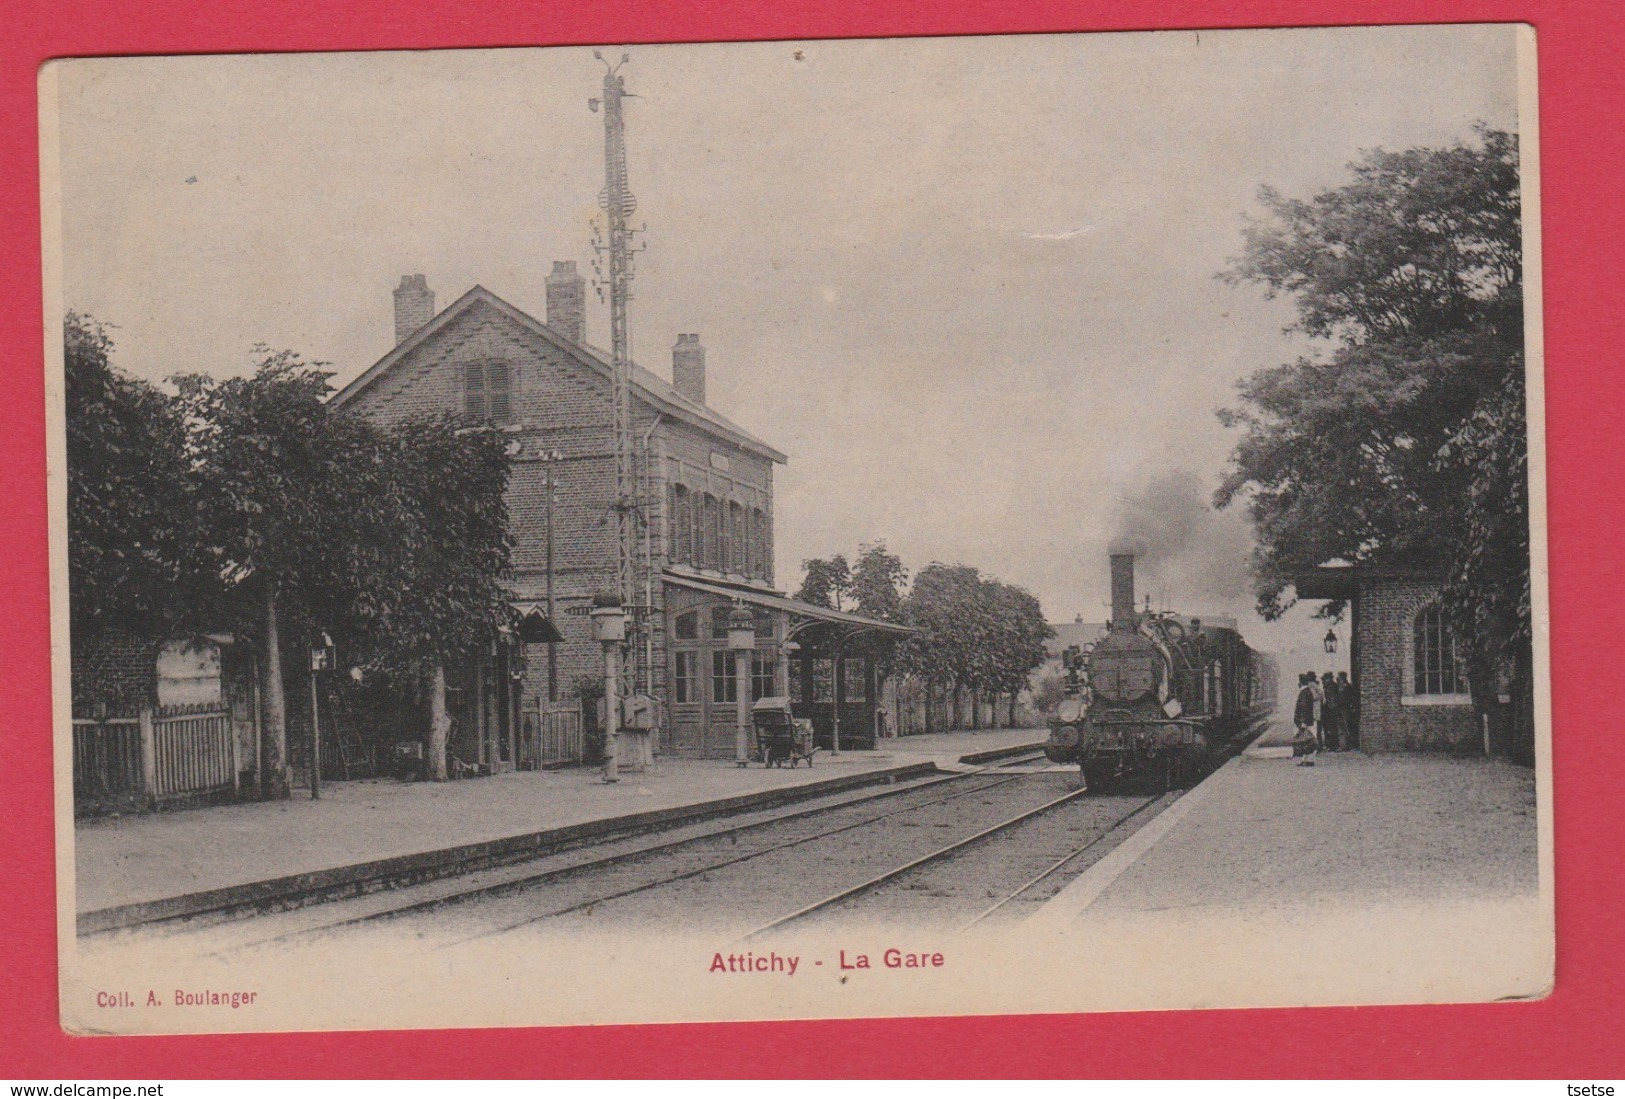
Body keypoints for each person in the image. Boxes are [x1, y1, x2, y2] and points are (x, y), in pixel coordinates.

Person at [1292, 672, 1319, 766]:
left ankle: (1309, 760)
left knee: (1307, 740)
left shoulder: (1304, 693)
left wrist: (1303, 722)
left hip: (1305, 721)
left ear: (1300, 683)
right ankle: (1307, 760)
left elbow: (1304, 707)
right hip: (1307, 721)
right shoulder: (1307, 692)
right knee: (1306, 740)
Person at [1321, 671, 1343, 751]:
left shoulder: (1331, 687)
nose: (1323, 681)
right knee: (1331, 728)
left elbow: (1331, 700)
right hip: (1331, 710)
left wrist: (1329, 708)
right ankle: (1332, 745)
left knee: (1332, 728)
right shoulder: (1331, 686)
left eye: (1325, 679)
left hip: (1331, 710)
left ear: (1329, 679)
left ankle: (1333, 746)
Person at [1337, 670, 1358, 750]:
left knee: (1345, 727)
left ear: (1342, 678)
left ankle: (1345, 746)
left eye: (1339, 676)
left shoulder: (1345, 687)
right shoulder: (1344, 686)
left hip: (1344, 710)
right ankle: (1346, 745)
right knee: (1345, 727)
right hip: (1344, 709)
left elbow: (1344, 699)